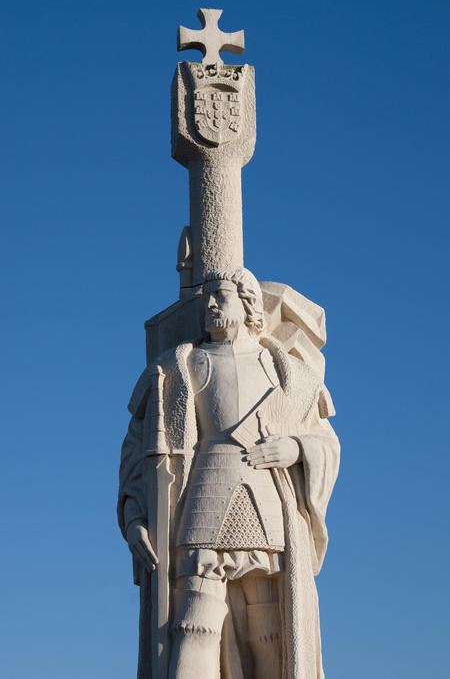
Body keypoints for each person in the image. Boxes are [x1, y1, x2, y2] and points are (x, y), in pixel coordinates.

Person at [118, 267, 340, 679]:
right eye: (206, 298)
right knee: (192, 626)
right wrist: (135, 518)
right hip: (202, 498)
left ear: (249, 302)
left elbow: (325, 441)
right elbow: (137, 451)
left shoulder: (286, 373)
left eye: (220, 295)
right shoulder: (176, 369)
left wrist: (295, 447)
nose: (211, 305)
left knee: (270, 629)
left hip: (269, 504)